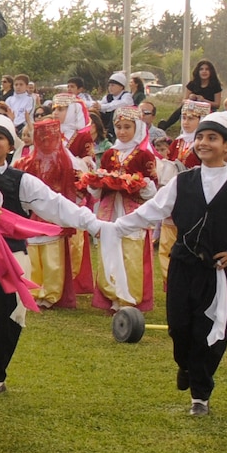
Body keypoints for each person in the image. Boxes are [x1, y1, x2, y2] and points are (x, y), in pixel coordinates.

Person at [112, 111, 227, 415]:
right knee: (179, 327)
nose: (203, 143)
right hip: (182, 266)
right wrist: (113, 227)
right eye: (200, 137)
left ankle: (200, 395)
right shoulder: (182, 182)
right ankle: (185, 366)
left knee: (212, 333)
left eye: (212, 138)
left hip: (217, 272)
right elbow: (152, 211)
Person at [0, 115, 105, 394]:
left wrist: (94, 224)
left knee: (6, 316)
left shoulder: (21, 180)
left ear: (10, 145)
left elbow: (56, 205)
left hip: (9, 255)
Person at [85, 106, 160, 311]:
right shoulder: (110, 153)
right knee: (109, 251)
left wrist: (138, 184)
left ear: (137, 128)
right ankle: (111, 295)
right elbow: (100, 186)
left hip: (132, 211)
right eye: (118, 127)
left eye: (127, 127)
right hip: (110, 210)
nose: (122, 131)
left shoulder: (144, 155)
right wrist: (95, 183)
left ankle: (130, 297)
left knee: (131, 254)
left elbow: (152, 188)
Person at [16, 118, 92, 310]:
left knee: (52, 258)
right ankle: (33, 290)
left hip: (54, 216)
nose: (46, 142)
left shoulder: (65, 162)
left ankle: (50, 293)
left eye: (50, 137)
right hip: (33, 217)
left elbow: (76, 187)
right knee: (34, 254)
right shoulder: (27, 162)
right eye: (41, 137)